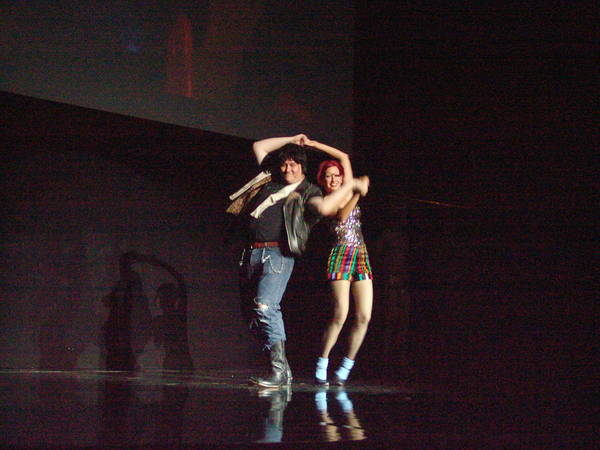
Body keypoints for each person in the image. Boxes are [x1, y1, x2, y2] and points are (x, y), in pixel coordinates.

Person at [231, 134, 368, 388]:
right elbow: (259, 146)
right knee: (252, 316)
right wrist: (292, 139)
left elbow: (325, 209)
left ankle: (281, 371)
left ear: (303, 167)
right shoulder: (272, 179)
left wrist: (353, 187)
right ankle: (279, 368)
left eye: (293, 164)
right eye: (284, 164)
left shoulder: (308, 190)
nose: (288, 169)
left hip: (277, 254)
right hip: (251, 253)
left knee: (265, 307)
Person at [304, 139, 373, 387]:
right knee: (340, 313)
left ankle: (346, 366)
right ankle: (322, 362)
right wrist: (357, 191)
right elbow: (342, 215)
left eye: (337, 175)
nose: (333, 179)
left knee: (364, 316)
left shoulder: (347, 186)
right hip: (340, 255)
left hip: (361, 254)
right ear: (322, 181)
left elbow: (344, 156)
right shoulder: (324, 200)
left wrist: (314, 144)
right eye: (328, 176)